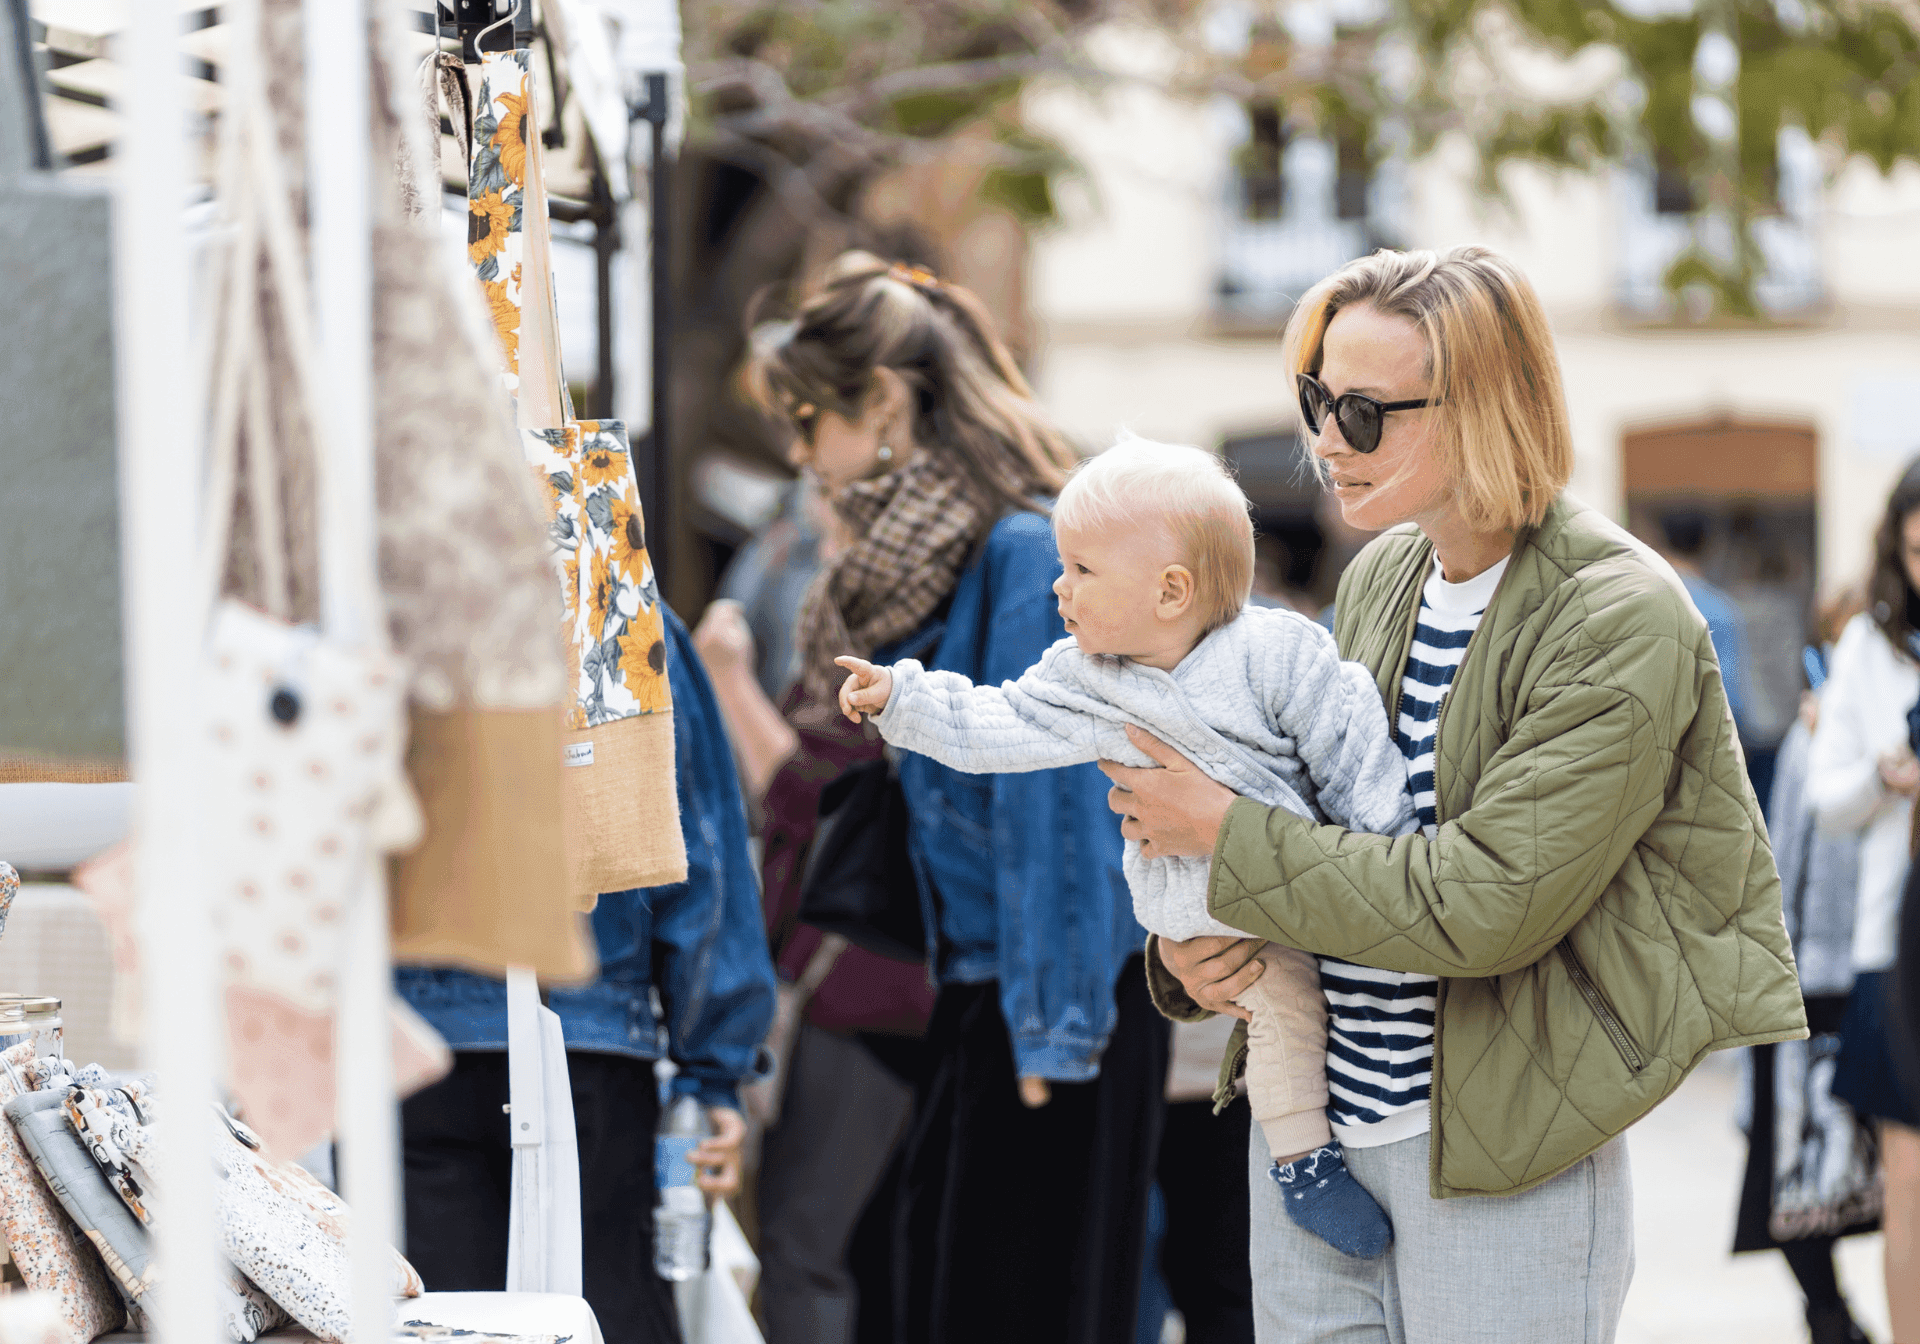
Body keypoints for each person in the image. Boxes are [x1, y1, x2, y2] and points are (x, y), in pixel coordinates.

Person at [1102, 245, 1808, 1342]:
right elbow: (1309, 810)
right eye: (1317, 400)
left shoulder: (1618, 615)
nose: (1328, 441)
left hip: (1501, 1150)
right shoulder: (1386, 572)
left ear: (1485, 407)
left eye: (1367, 412)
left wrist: (1229, 838)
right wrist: (1198, 951)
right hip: (1315, 1142)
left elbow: (1485, 903)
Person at [835, 436, 1415, 1258]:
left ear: (1170, 590)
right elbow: (998, 723)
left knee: (1322, 1014)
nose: (1057, 586)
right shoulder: (1086, 675)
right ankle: (1304, 1165)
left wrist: (1383, 842)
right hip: (1205, 919)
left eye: (1080, 571)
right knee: (1280, 1014)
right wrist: (903, 697)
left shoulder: (1276, 654)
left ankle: (1325, 1143)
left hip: (1311, 882)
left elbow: (1350, 747)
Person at [742, 251, 1166, 1344]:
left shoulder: (1021, 552)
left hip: (1046, 1010)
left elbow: (1061, 816)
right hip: (988, 994)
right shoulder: (943, 557)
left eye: (806, 420)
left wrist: (1052, 1040)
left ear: (882, 403)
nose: (799, 456)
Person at [394, 606, 778, 1344]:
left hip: (411, 1041)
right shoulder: (625, 613)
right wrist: (712, 1069)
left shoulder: (377, 607)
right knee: (608, 1311)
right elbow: (702, 852)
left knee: (430, 1323)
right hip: (590, 1035)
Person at [692, 592, 934, 1344]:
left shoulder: (893, 653)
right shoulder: (888, 628)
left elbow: (811, 799)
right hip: (876, 992)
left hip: (861, 997)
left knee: (805, 1248)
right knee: (849, 1246)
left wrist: (728, 682)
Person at [1729, 590, 1876, 1344]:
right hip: (1814, 978)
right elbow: (1778, 859)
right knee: (1793, 1165)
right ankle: (1832, 1317)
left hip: (1866, 973)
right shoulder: (1809, 740)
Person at [1808, 457, 1920, 1344]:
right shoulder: (1870, 650)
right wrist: (1889, 777)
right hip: (1900, 946)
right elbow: (1828, 800)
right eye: (1918, 550)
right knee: (1909, 1188)